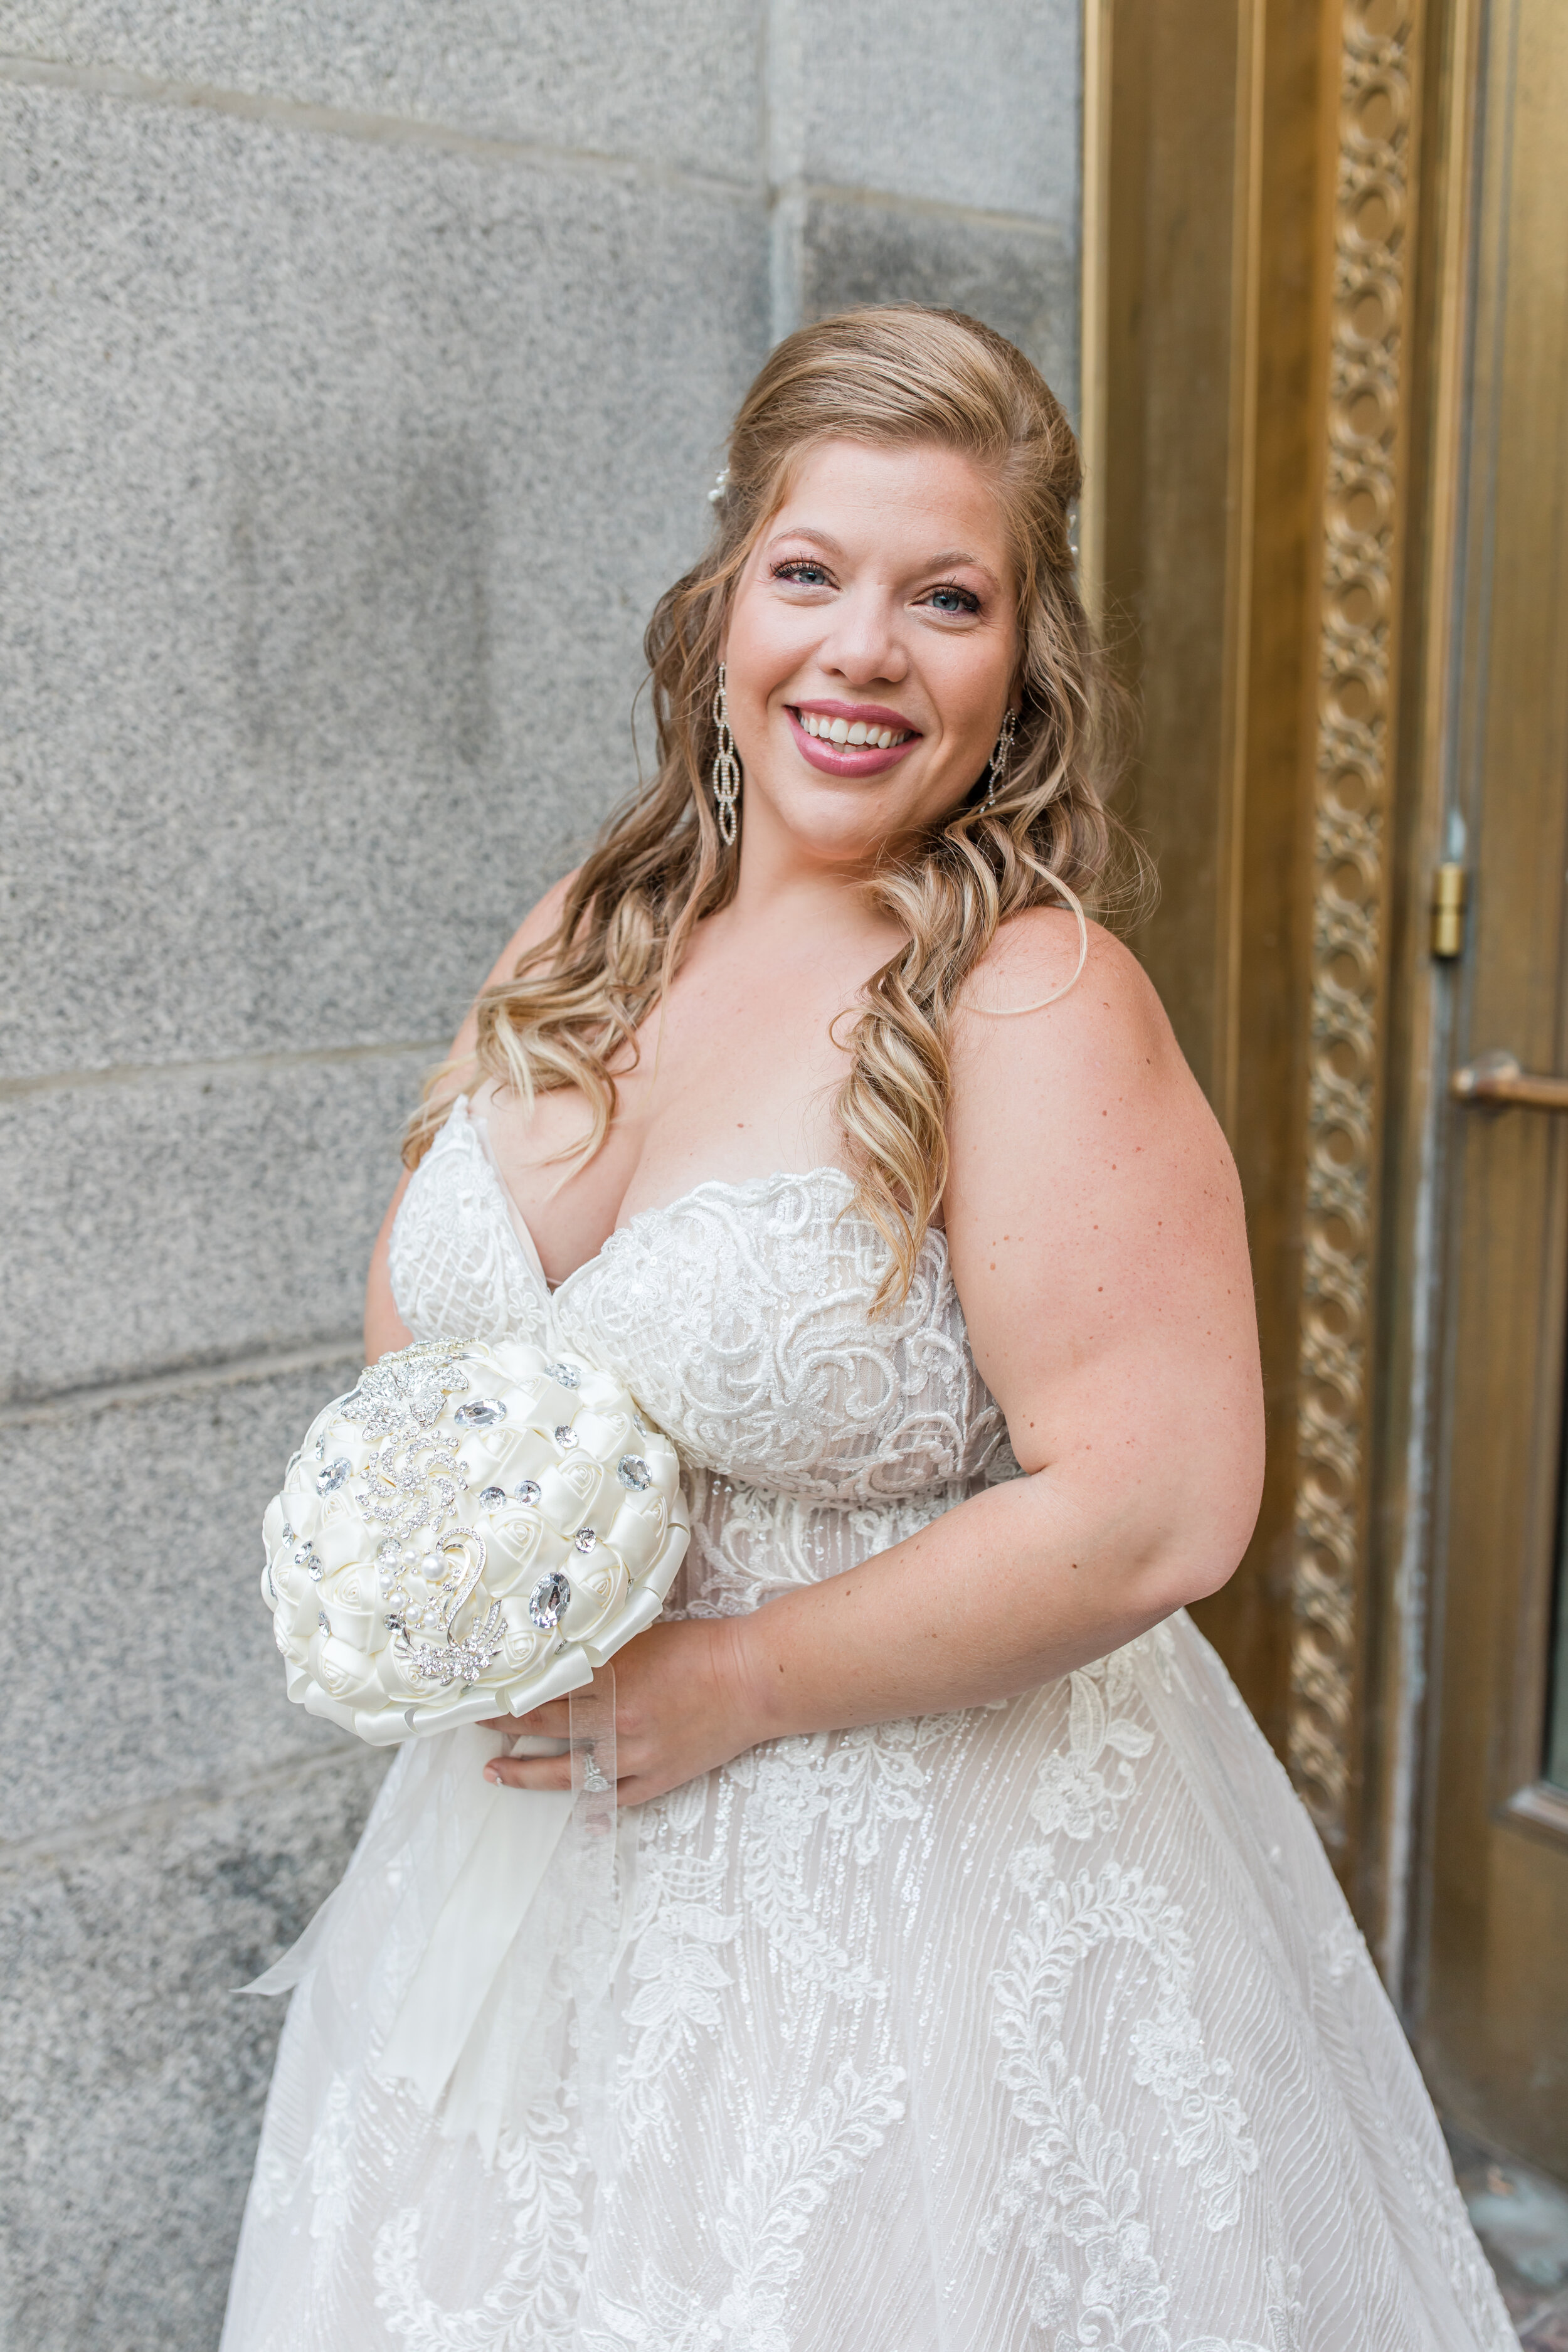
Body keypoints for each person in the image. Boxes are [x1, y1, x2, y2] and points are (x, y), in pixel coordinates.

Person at [223, 307, 1513, 2351]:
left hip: (893, 1907)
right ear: (725, 594)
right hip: (523, 1868)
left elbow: (1157, 1509)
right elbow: (434, 1341)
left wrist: (729, 1683)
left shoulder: (1030, 997)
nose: (861, 651)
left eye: (947, 597)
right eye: (810, 572)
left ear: (1019, 669)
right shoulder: (586, 928)